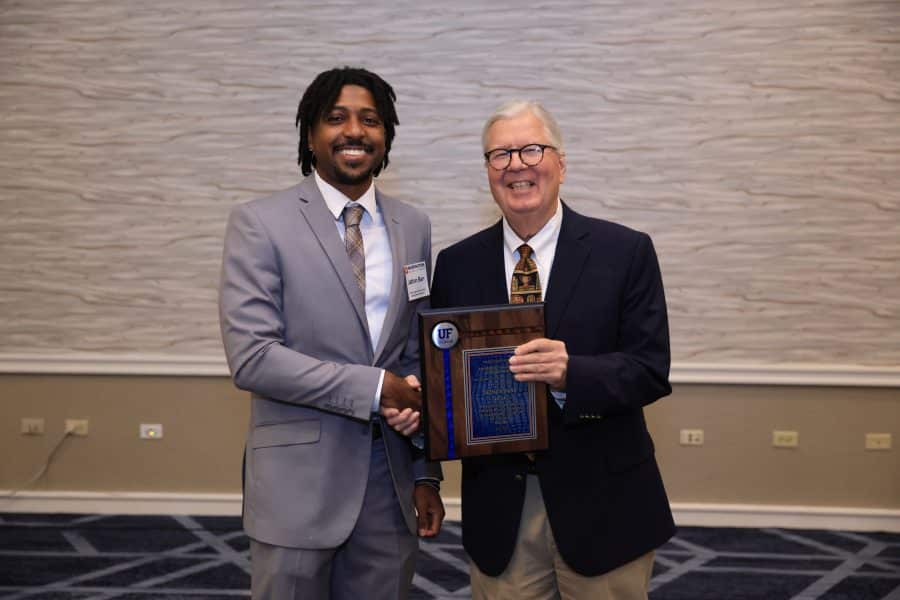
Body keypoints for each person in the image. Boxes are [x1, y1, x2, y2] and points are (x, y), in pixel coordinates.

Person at [430, 100, 674, 599]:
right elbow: (446, 374)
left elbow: (649, 369)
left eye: (531, 149)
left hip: (604, 501)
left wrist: (571, 374)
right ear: (487, 172)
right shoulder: (455, 265)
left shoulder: (625, 252)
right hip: (501, 506)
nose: (516, 164)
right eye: (500, 155)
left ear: (561, 163)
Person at [219, 66, 444, 599]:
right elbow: (253, 357)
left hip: (388, 487)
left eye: (370, 119)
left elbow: (415, 355)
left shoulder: (412, 226)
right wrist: (372, 388)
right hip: (298, 485)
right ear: (310, 135)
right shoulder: (260, 223)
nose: (354, 131)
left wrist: (425, 474)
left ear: (386, 135)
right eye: (336, 118)